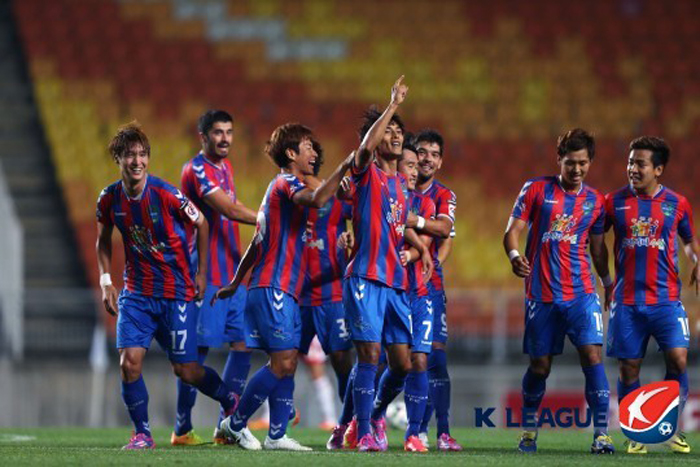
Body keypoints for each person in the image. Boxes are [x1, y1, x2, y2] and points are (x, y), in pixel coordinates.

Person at [96, 122, 237, 450]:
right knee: (129, 362)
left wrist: (201, 273)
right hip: (137, 294)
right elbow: (103, 241)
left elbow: (201, 221)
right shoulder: (108, 199)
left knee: (187, 371)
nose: (137, 161)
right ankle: (142, 434)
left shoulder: (166, 194)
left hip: (176, 294)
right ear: (118, 158)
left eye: (142, 154)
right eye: (130, 155)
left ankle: (229, 399)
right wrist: (106, 282)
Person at [215, 123, 354, 451]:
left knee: (288, 361)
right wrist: (345, 166)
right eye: (308, 147)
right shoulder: (285, 183)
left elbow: (257, 241)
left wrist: (235, 281)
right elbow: (318, 198)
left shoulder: (277, 194)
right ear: (291, 153)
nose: (314, 153)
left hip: (285, 290)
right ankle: (235, 423)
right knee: (282, 363)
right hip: (273, 286)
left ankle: (276, 435)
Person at [503, 128, 614, 454]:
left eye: (582, 163)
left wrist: (608, 283)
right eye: (570, 163)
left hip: (581, 294)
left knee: (592, 356)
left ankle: (602, 434)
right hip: (542, 295)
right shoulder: (536, 189)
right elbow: (512, 231)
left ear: (590, 162)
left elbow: (598, 249)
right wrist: (514, 256)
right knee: (540, 367)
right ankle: (529, 430)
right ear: (559, 160)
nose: (576, 169)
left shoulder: (596, 201)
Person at [340, 76, 433, 452]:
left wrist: (421, 247)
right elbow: (364, 149)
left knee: (403, 363)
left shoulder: (401, 186)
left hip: (395, 282)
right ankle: (362, 432)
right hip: (365, 276)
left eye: (399, 131)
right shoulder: (366, 172)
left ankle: (369, 416)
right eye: (388, 131)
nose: (395, 135)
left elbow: (395, 224)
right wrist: (393, 104)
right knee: (369, 355)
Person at [605, 136, 699, 455]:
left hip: (666, 300)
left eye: (640, 163)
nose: (632, 168)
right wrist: (604, 278)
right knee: (628, 368)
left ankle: (669, 429)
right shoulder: (613, 202)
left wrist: (696, 260)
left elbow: (689, 240)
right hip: (627, 302)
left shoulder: (677, 203)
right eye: (630, 162)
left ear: (658, 169)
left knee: (678, 359)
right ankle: (636, 433)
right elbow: (594, 237)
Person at [174, 110, 258, 446]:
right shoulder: (196, 170)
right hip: (205, 275)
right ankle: (182, 428)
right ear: (203, 136)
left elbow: (234, 206)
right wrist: (267, 218)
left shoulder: (226, 167)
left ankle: (227, 426)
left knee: (242, 343)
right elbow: (229, 210)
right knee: (197, 353)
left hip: (232, 276)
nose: (225, 138)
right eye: (218, 132)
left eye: (229, 132)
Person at [408, 129, 462, 451]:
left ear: (440, 162)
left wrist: (432, 264)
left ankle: (441, 430)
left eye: (434, 154)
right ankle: (369, 421)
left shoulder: (444, 195)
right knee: (392, 359)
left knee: (435, 358)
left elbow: (445, 232)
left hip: (429, 286)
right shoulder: (397, 188)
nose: (427, 159)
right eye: (422, 152)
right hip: (395, 282)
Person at [399, 143, 436, 452]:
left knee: (420, 359)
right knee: (384, 361)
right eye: (409, 166)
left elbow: (425, 241)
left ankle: (414, 433)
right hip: (389, 291)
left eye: (415, 166)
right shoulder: (382, 194)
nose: (414, 171)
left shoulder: (425, 203)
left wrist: (413, 253)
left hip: (419, 293)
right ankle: (363, 420)